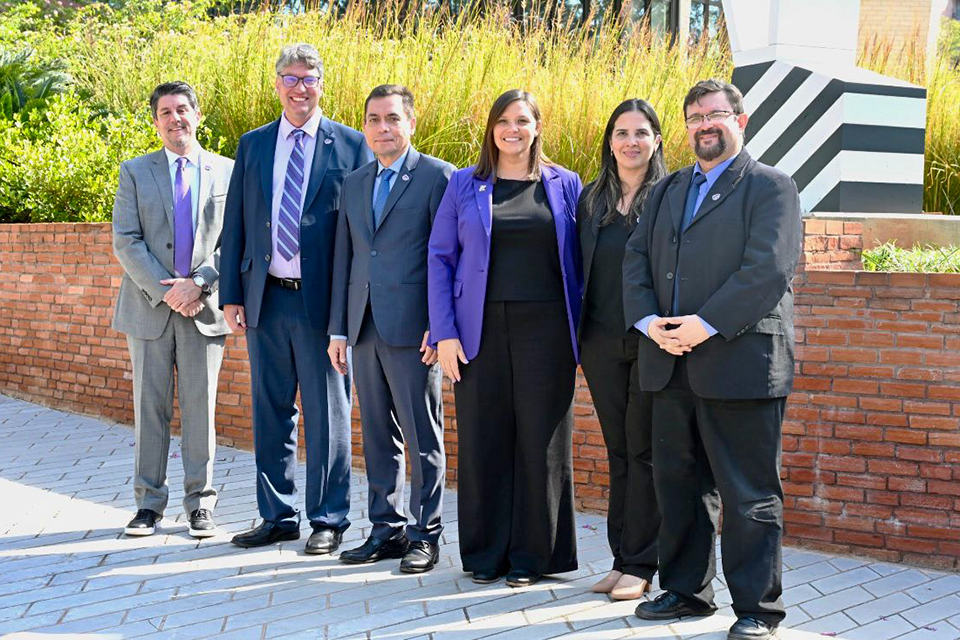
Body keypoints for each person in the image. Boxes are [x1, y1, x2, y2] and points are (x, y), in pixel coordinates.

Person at [623, 79, 801, 640]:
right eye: (695, 116)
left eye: (716, 114)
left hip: (739, 362)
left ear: (740, 121)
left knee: (748, 494)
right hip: (668, 362)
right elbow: (634, 260)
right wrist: (652, 324)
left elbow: (767, 269)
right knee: (677, 485)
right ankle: (685, 593)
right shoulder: (668, 189)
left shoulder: (771, 187)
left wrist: (703, 325)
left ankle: (756, 609)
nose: (705, 124)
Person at [219, 43, 372, 553]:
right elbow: (237, 220)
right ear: (277, 82)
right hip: (265, 300)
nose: (299, 87)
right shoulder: (255, 144)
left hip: (321, 304)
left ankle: (328, 519)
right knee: (270, 410)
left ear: (322, 84)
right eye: (290, 77)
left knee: (328, 414)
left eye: (308, 78)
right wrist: (233, 293)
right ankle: (276, 516)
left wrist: (349, 313)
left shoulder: (352, 146)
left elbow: (362, 235)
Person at [427, 89, 583, 588]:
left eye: (522, 121)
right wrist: (445, 333)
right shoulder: (463, 184)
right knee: (483, 439)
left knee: (542, 442)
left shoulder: (565, 184)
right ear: (491, 129)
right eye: (502, 121)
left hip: (549, 331)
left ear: (537, 127)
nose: (512, 130)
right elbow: (439, 258)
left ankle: (534, 556)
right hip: (478, 332)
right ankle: (486, 553)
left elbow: (582, 261)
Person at [327, 85, 454, 573]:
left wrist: (438, 325)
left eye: (393, 119)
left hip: (414, 329)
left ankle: (427, 534)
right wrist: (339, 329)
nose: (384, 128)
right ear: (365, 127)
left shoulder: (439, 177)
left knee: (423, 435)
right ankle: (386, 529)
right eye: (375, 119)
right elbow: (348, 257)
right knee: (377, 433)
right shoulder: (355, 181)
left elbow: (448, 259)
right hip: (363, 326)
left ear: (411, 124)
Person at [112, 81, 234, 538]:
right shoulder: (135, 171)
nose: (175, 118)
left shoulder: (227, 171)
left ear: (197, 115)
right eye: (165, 112)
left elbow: (236, 240)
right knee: (150, 410)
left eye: (182, 109)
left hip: (204, 310)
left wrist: (199, 284)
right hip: (149, 310)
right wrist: (168, 292)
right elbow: (125, 239)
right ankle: (148, 505)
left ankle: (201, 504)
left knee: (200, 411)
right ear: (155, 121)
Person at [577, 99, 666, 600]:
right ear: (609, 141)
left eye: (640, 132)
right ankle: (620, 557)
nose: (630, 142)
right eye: (621, 132)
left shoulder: (671, 195)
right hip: (600, 341)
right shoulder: (592, 199)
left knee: (644, 449)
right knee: (618, 451)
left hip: (651, 341)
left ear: (656, 140)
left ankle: (642, 562)